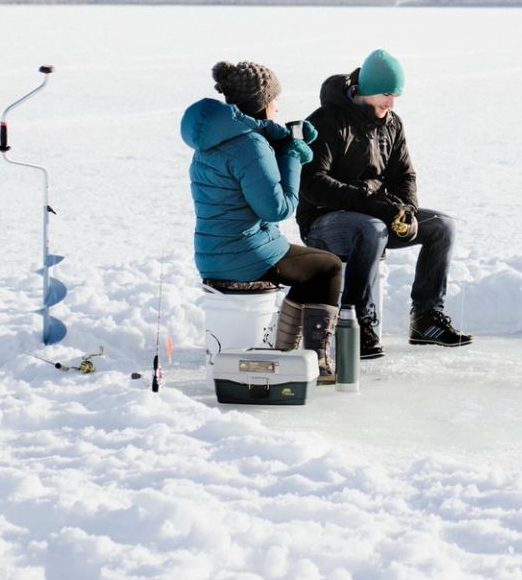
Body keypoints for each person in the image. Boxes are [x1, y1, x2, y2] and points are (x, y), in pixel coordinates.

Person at [298, 48, 472, 358]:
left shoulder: (392, 124)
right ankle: (356, 323)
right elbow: (313, 184)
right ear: (365, 90)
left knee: (441, 226)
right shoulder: (326, 121)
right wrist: (374, 204)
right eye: (386, 94)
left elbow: (404, 174)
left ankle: (426, 319)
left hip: (376, 216)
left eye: (395, 96)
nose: (391, 103)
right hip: (324, 222)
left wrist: (406, 208)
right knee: (372, 227)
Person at [181, 59, 346, 384]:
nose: (277, 106)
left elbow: (252, 156)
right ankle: (319, 362)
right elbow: (278, 209)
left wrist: (284, 139)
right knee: (327, 267)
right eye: (274, 100)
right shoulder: (249, 145)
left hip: (214, 251)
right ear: (263, 104)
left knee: (308, 272)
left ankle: (285, 352)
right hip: (245, 254)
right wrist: (294, 156)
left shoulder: (214, 139)